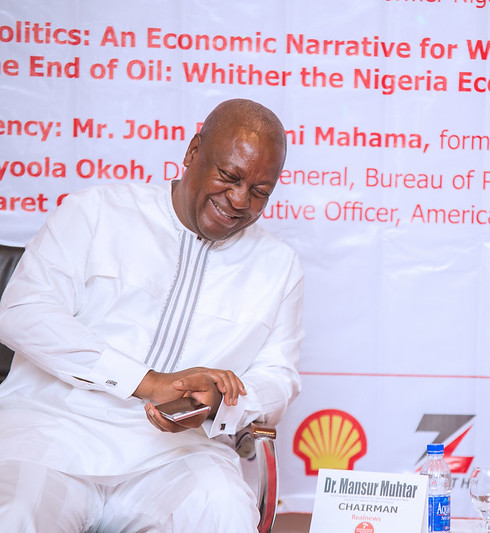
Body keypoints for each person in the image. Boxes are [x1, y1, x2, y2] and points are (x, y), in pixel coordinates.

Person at [0, 98, 304, 532]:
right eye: (229, 176)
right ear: (193, 152)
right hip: (53, 436)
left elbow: (278, 377)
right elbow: (23, 311)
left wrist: (221, 400)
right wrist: (149, 382)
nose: (239, 200)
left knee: (226, 512)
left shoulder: (279, 265)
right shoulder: (96, 211)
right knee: (14, 513)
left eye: (260, 192)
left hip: (177, 455)